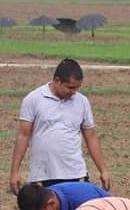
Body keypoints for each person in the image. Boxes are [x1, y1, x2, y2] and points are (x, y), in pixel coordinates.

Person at [9, 58, 111, 195]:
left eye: (77, 88)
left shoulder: (82, 102)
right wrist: (15, 172)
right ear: (57, 81)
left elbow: (91, 137)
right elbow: (23, 135)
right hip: (44, 176)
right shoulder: (33, 99)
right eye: (70, 87)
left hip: (76, 174)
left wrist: (103, 170)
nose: (73, 92)